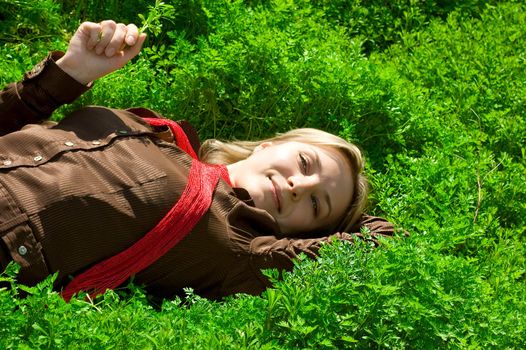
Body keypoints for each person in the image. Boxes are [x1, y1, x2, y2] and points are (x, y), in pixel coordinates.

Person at [0, 21, 395, 301]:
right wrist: (71, 72)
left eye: (316, 204)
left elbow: (386, 243)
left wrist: (350, 209)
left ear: (306, 233)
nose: (299, 186)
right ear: (269, 145)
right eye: (306, 164)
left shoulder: (238, 247)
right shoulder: (154, 128)